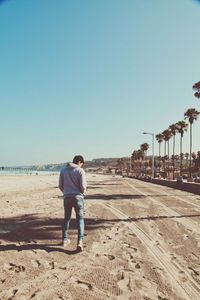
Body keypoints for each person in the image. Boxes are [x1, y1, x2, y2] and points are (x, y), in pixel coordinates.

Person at [59, 155, 87, 251]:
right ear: (79, 162)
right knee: (80, 219)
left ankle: (65, 239)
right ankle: (80, 241)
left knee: (66, 218)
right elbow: (83, 186)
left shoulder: (63, 170)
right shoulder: (80, 171)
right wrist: (83, 192)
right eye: (82, 164)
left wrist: (66, 192)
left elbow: (60, 185)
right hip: (78, 197)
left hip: (67, 197)